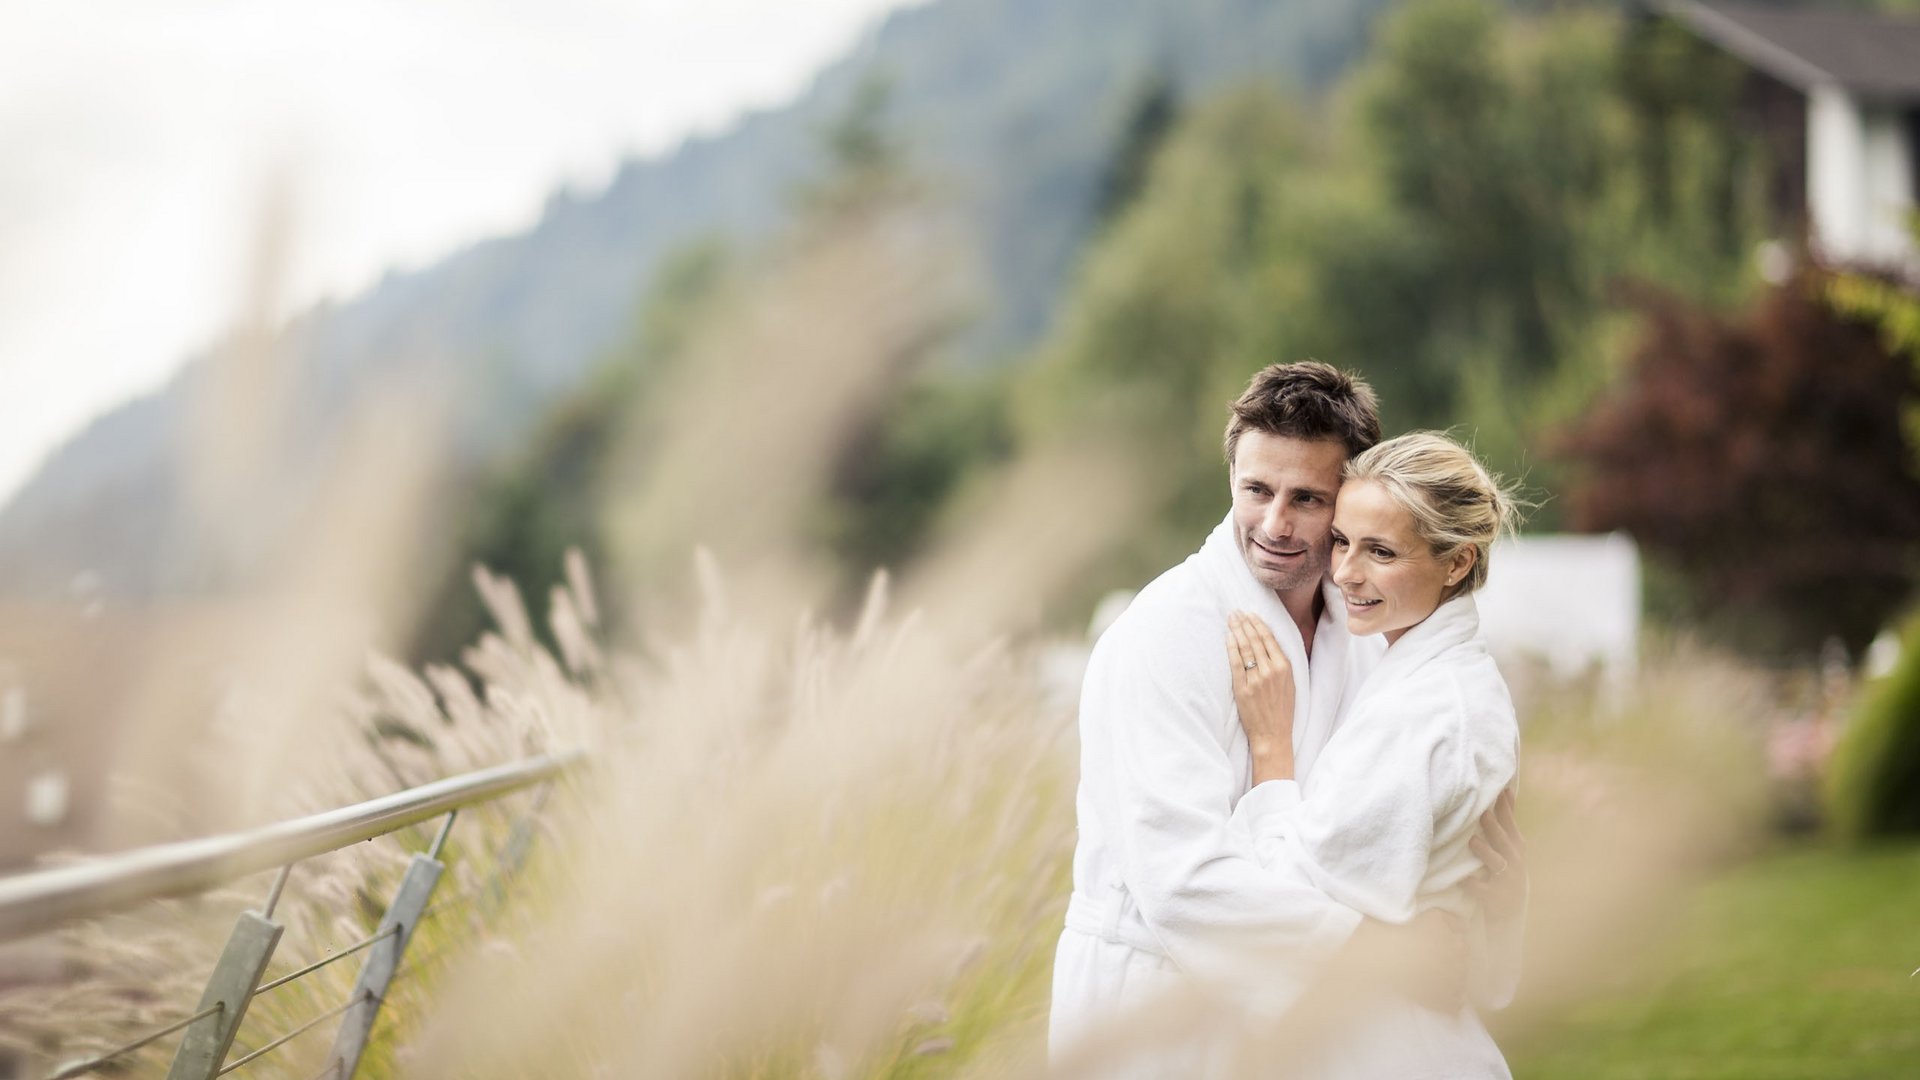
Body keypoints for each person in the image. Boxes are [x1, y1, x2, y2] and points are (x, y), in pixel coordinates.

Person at [1048, 363, 1524, 1075]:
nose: (1274, 524)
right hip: (1153, 1010)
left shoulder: (1367, 633)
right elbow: (1183, 882)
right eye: (1256, 490)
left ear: (1351, 497)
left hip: (1308, 1019)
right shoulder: (1163, 636)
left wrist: (1491, 901)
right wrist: (1381, 955)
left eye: (1307, 499)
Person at [1222, 430, 1524, 1076]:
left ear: (1457, 562)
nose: (1345, 573)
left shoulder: (1425, 716)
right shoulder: (1444, 682)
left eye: (1380, 551)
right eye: (1342, 541)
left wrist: (1273, 752)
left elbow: (1286, 901)